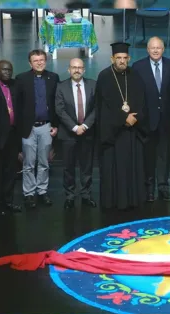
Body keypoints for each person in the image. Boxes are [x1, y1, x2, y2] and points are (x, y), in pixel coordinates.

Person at [95, 42, 148, 210]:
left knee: (132, 168)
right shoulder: (104, 77)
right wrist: (123, 119)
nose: (122, 61)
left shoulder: (135, 76)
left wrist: (134, 118)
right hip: (114, 134)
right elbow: (102, 107)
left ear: (129, 58)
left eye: (125, 58)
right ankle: (114, 202)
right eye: (118, 58)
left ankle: (133, 200)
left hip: (132, 132)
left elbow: (142, 101)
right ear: (112, 58)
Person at [132, 37, 170, 201]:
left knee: (164, 155)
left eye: (158, 48)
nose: (155, 50)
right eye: (152, 48)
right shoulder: (138, 67)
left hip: (166, 120)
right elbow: (135, 96)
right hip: (146, 121)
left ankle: (163, 187)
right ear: (147, 49)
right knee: (148, 156)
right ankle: (149, 188)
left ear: (163, 49)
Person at [14, 49, 60, 208]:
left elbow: (56, 104)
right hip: (28, 128)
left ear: (45, 61)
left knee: (44, 162)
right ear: (30, 63)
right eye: (36, 60)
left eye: (42, 60)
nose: (39, 63)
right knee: (28, 164)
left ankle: (42, 191)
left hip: (46, 126)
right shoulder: (21, 79)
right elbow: (17, 107)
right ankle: (29, 193)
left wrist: (55, 125)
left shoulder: (53, 78)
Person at [55, 58, 97, 209]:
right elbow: (60, 110)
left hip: (87, 133)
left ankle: (86, 195)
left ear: (84, 70)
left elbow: (96, 108)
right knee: (68, 168)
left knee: (87, 167)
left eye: (79, 67)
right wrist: (74, 127)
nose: (77, 70)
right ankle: (70, 196)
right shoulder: (61, 87)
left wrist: (84, 126)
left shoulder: (93, 85)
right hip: (68, 134)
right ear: (69, 69)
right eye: (74, 67)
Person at [0, 60, 22, 216]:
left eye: (9, 70)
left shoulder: (15, 85)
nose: (7, 72)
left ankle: (9, 201)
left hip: (13, 136)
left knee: (11, 172)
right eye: (4, 70)